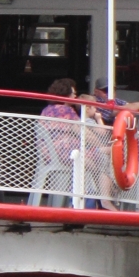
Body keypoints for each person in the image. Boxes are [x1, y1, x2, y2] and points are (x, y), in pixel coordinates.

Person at [29, 76, 84, 206]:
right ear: (65, 94)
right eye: (73, 92)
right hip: (61, 154)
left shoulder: (46, 110)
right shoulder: (67, 111)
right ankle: (96, 202)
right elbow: (82, 133)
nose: (76, 95)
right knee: (96, 157)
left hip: (46, 154)